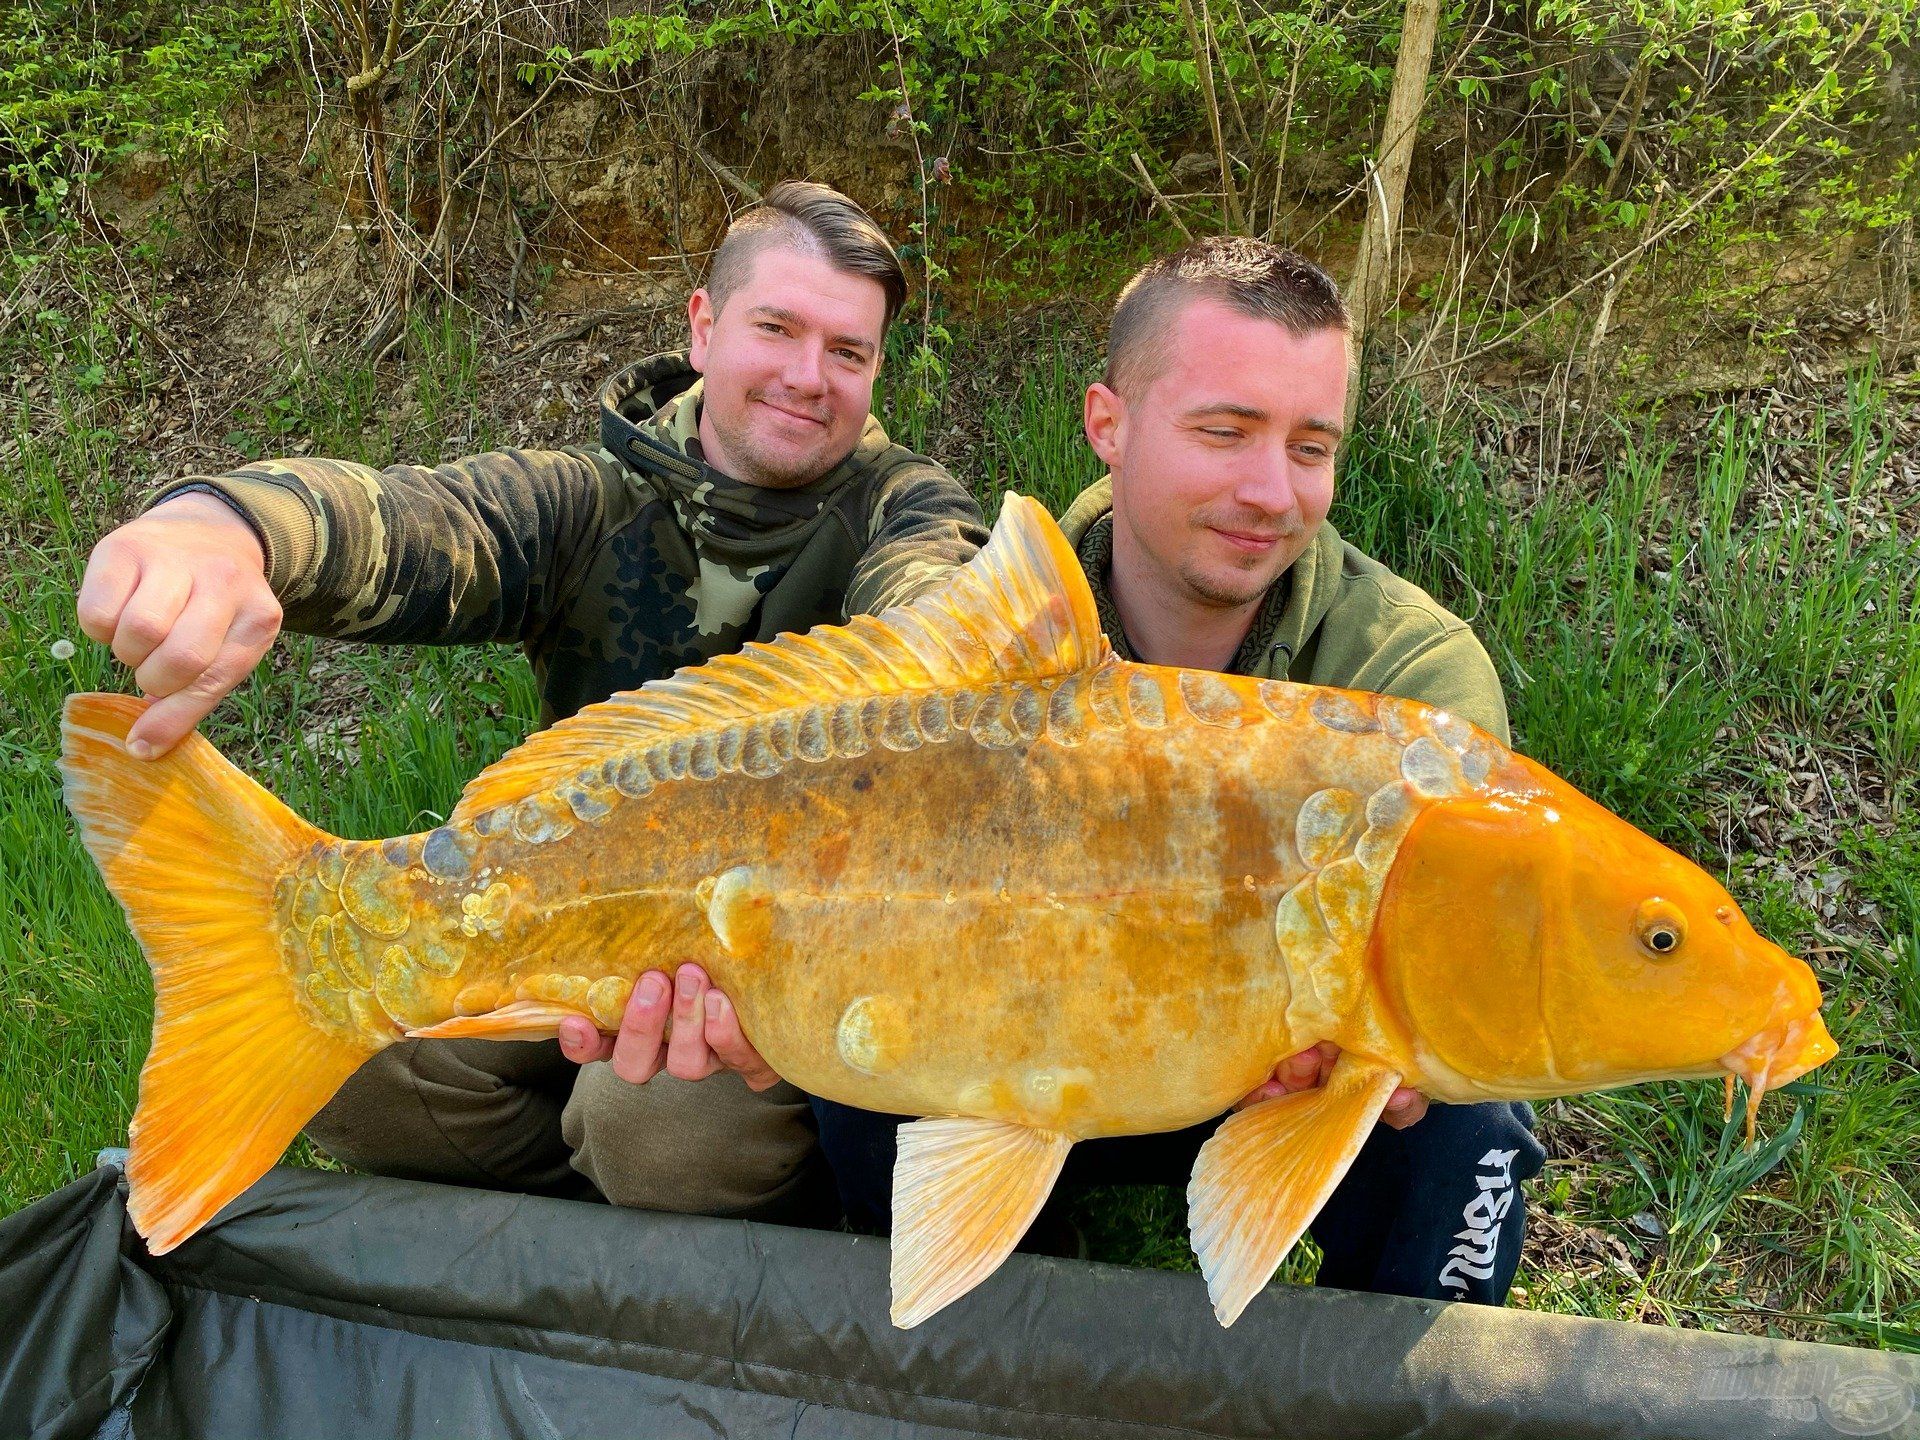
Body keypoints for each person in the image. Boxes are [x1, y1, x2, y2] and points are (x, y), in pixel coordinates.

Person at [76, 181, 989, 1224]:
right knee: (340, 1049)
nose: (806, 376)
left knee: (656, 1130)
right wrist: (225, 525)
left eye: (848, 352)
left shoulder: (905, 509)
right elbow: (412, 522)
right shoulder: (583, 503)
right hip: (566, 903)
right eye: (776, 328)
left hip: (781, 981)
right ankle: (588, 1209)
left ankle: (733, 1205)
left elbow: (940, 630)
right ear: (702, 326)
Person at [808, 236, 1546, 1305]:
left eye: (1311, 445)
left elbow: (1464, 939)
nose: (1270, 491)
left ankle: (1392, 1388)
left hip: (1282, 1084)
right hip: (1031, 1046)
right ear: (1108, 423)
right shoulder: (984, 636)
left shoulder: (1409, 673)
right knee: (867, 1040)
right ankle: (996, 1359)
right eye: (1225, 432)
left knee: (1469, 1112)